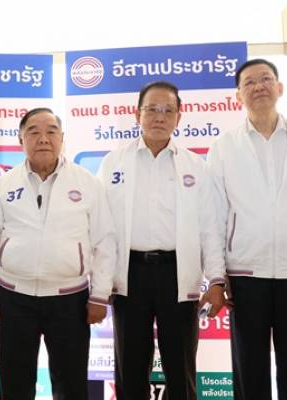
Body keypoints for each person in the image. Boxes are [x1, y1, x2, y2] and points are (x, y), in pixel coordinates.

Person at [206, 58, 287, 400]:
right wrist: (216, 276)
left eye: (266, 79)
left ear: (279, 88)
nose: (259, 86)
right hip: (244, 273)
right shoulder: (224, 146)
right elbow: (214, 216)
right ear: (238, 96)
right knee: (249, 369)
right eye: (249, 82)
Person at [0, 107, 116, 400]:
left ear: (62, 138)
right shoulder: (3, 185)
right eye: (34, 132)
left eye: (51, 131)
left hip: (70, 299)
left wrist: (100, 295)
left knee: (71, 385)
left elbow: (105, 241)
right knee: (14, 386)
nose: (43, 139)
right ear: (20, 139)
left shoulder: (87, 183)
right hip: (14, 297)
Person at [97, 81, 226, 400]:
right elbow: (102, 228)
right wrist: (101, 282)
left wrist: (217, 280)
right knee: (130, 368)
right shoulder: (114, 163)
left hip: (177, 274)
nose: (159, 117)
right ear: (137, 114)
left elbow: (209, 228)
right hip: (129, 274)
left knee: (181, 369)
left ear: (179, 118)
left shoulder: (195, 166)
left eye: (168, 110)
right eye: (152, 109)